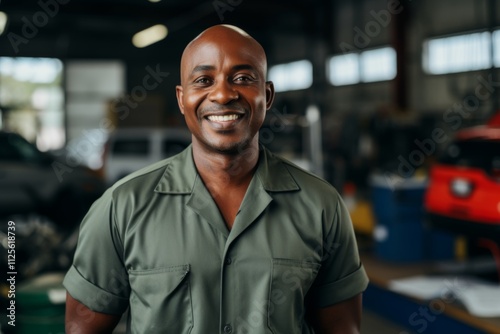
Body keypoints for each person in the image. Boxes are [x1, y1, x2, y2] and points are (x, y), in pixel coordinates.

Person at [64, 24, 369, 334]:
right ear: (182, 99)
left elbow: (343, 328)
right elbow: (82, 328)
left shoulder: (321, 206)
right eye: (203, 80)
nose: (223, 94)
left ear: (267, 94)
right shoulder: (122, 207)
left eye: (243, 78)